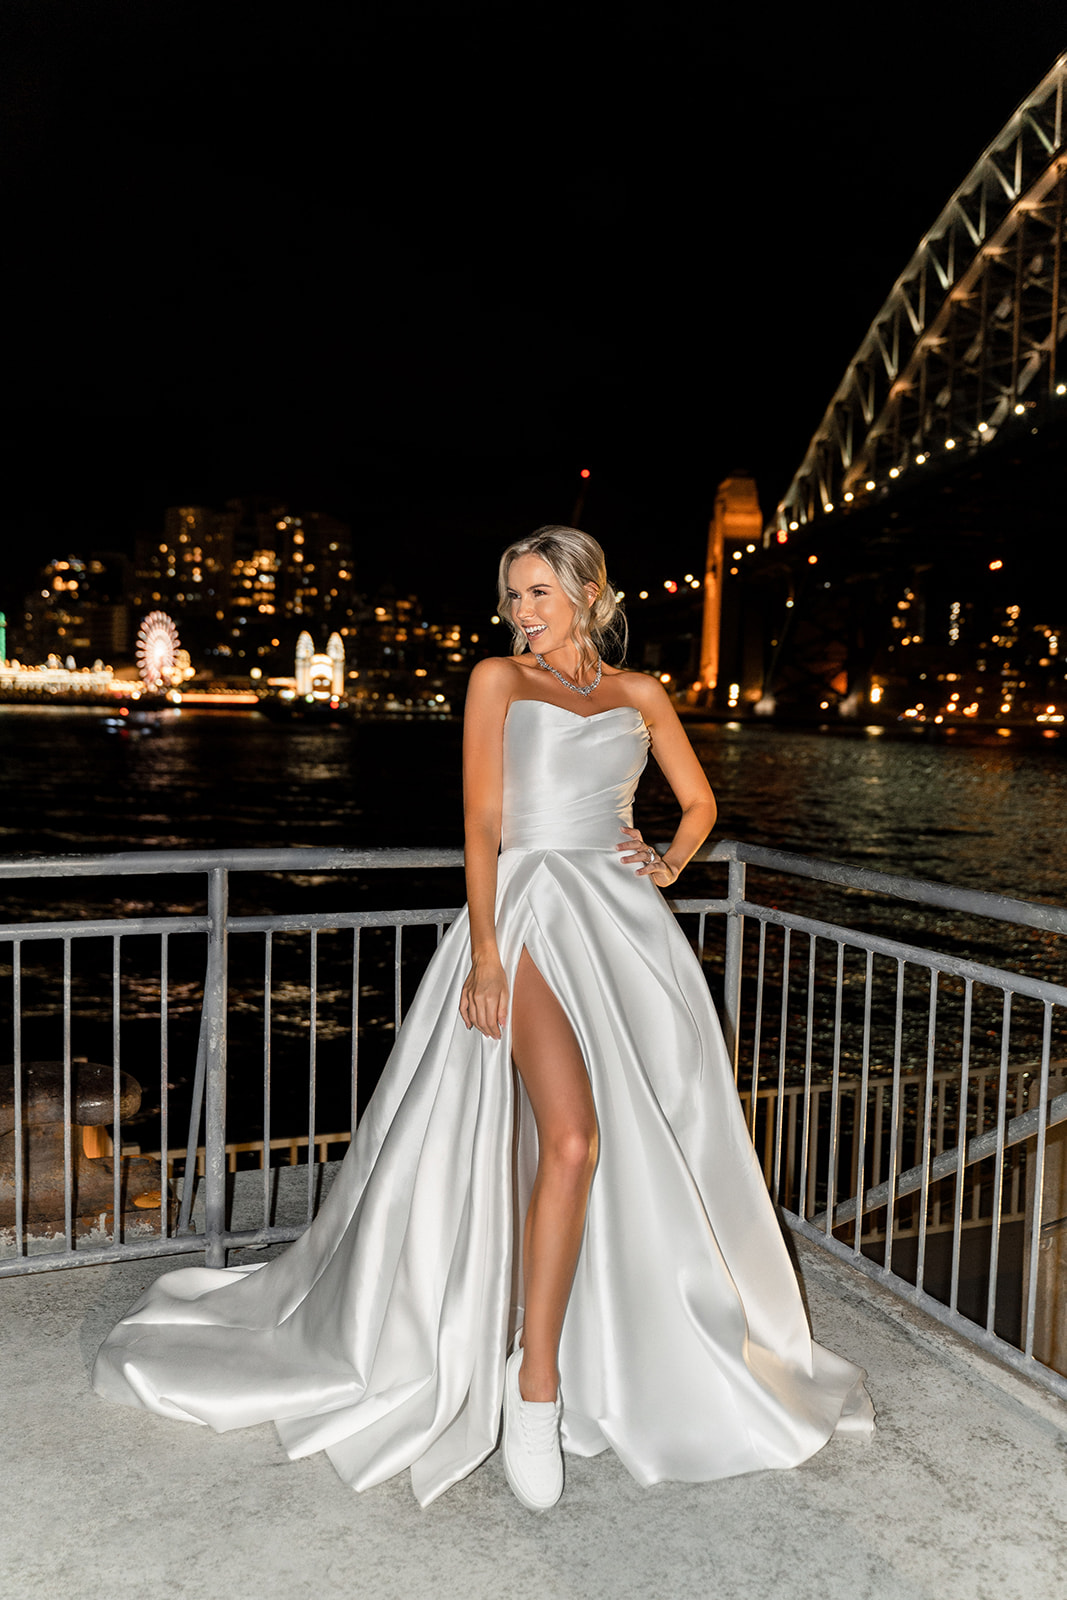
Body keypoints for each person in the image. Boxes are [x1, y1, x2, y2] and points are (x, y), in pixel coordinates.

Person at [93, 526, 873, 1512]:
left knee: (627, 1136)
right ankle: (535, 1387)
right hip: (526, 913)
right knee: (573, 1136)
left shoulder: (640, 694)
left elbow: (699, 804)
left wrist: (667, 863)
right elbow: (481, 823)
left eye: (539, 591)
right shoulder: (496, 680)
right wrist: (489, 953)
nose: (520, 610)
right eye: (512, 594)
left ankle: (581, 1345)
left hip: (622, 926)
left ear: (589, 594)